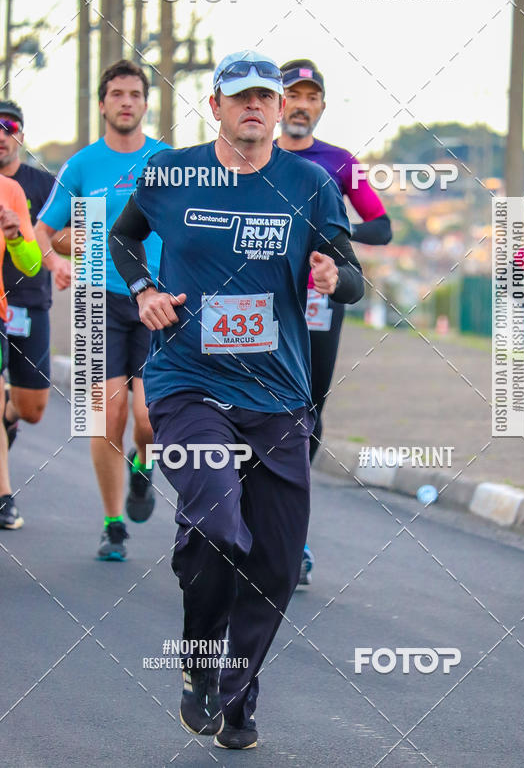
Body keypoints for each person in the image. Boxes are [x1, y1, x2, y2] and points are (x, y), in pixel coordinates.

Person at [108, 50, 364, 749]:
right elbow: (124, 237)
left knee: (276, 564)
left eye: (266, 97)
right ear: (215, 107)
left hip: (278, 395)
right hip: (188, 381)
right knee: (218, 526)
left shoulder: (310, 184)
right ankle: (200, 664)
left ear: (281, 110)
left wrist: (330, 272)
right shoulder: (172, 173)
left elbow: (354, 278)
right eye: (239, 97)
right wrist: (144, 292)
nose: (254, 106)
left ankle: (237, 698)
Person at [35, 59, 170, 560]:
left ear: (145, 103)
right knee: (103, 416)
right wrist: (54, 262)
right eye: (117, 94)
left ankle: (144, 466)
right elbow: (43, 230)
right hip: (97, 300)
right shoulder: (83, 166)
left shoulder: (167, 160)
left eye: (135, 94)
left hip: (158, 299)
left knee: (149, 417)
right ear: (103, 103)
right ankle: (114, 524)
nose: (127, 102)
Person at [277, 58, 392, 583]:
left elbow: (383, 227)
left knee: (308, 412)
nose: (301, 105)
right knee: (243, 405)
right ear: (276, 103)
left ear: (321, 107)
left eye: (311, 97)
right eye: (292, 95)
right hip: (258, 302)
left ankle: (292, 535)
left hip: (320, 302)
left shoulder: (341, 163)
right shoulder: (251, 153)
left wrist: (329, 235)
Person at [0, 100, 70, 449]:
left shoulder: (43, 184)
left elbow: (73, 234)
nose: (2, 134)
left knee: (31, 408)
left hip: (31, 301)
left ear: (22, 136)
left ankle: (8, 417)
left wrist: (60, 254)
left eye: (9, 127)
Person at [0, 164, 43, 528]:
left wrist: (14, 236)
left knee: (14, 404)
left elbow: (30, 265)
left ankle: (2, 497)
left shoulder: (9, 190)